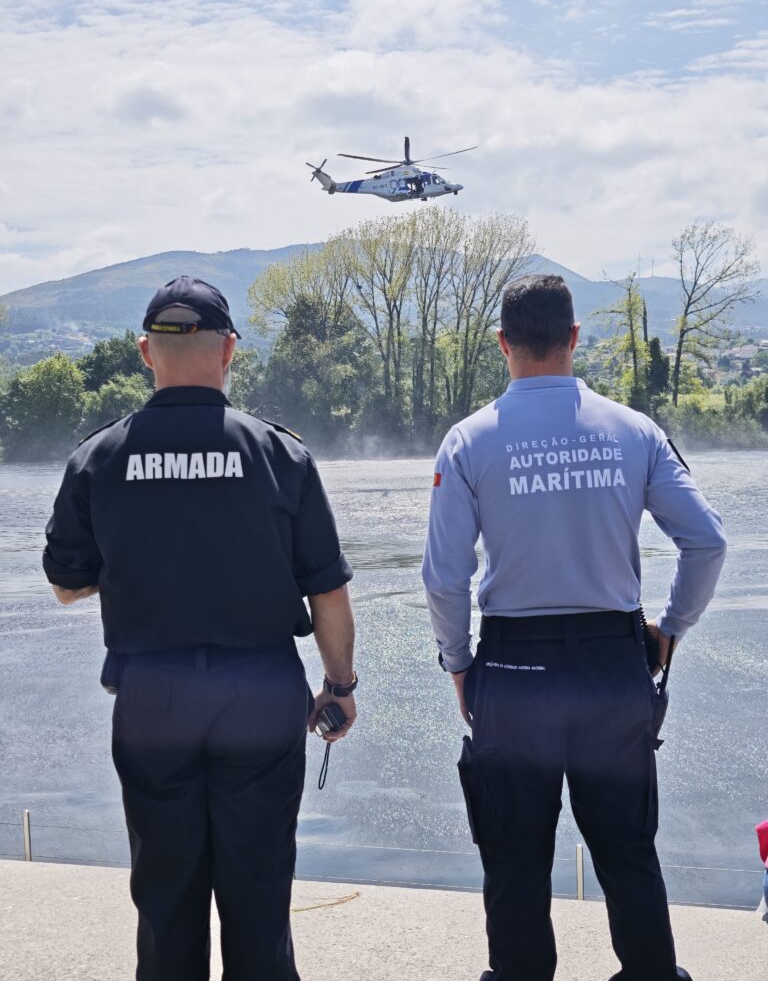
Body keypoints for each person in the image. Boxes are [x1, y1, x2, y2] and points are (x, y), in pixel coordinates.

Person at [43, 276, 358, 981]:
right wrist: (339, 685)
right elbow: (328, 593)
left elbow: (66, 583)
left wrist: (130, 564)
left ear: (145, 354)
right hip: (260, 695)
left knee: (166, 901)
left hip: (153, 700)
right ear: (231, 353)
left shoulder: (99, 458)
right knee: (259, 901)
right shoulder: (281, 455)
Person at [422, 274, 727, 981]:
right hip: (612, 667)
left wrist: (460, 664)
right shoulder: (634, 431)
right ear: (574, 340)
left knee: (516, 861)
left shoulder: (468, 443)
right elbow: (707, 543)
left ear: (503, 344)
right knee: (627, 853)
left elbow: (443, 578)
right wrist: (670, 632)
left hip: (513, 673)